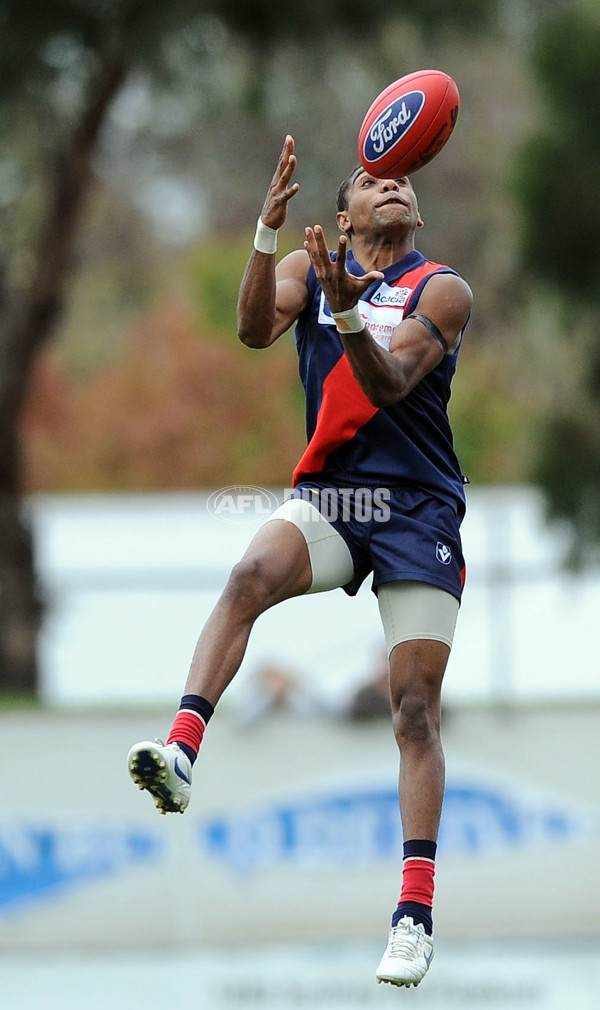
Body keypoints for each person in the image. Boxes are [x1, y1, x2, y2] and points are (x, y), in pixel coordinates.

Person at [127, 135, 472, 989]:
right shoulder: (309, 267)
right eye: (369, 179)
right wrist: (264, 235)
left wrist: (345, 308)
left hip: (417, 507)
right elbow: (250, 330)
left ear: (417, 211)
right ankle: (181, 749)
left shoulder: (443, 289)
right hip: (337, 495)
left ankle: (413, 916)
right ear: (345, 212)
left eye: (400, 180)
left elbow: (391, 383)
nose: (388, 184)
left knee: (415, 710)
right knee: (248, 577)